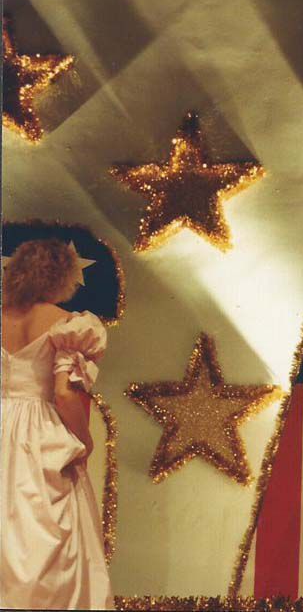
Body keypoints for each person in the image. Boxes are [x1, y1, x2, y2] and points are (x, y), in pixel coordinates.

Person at [0, 238, 114, 610]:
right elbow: (64, 395)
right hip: (38, 432)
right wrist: (84, 440)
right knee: (44, 535)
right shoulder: (67, 324)